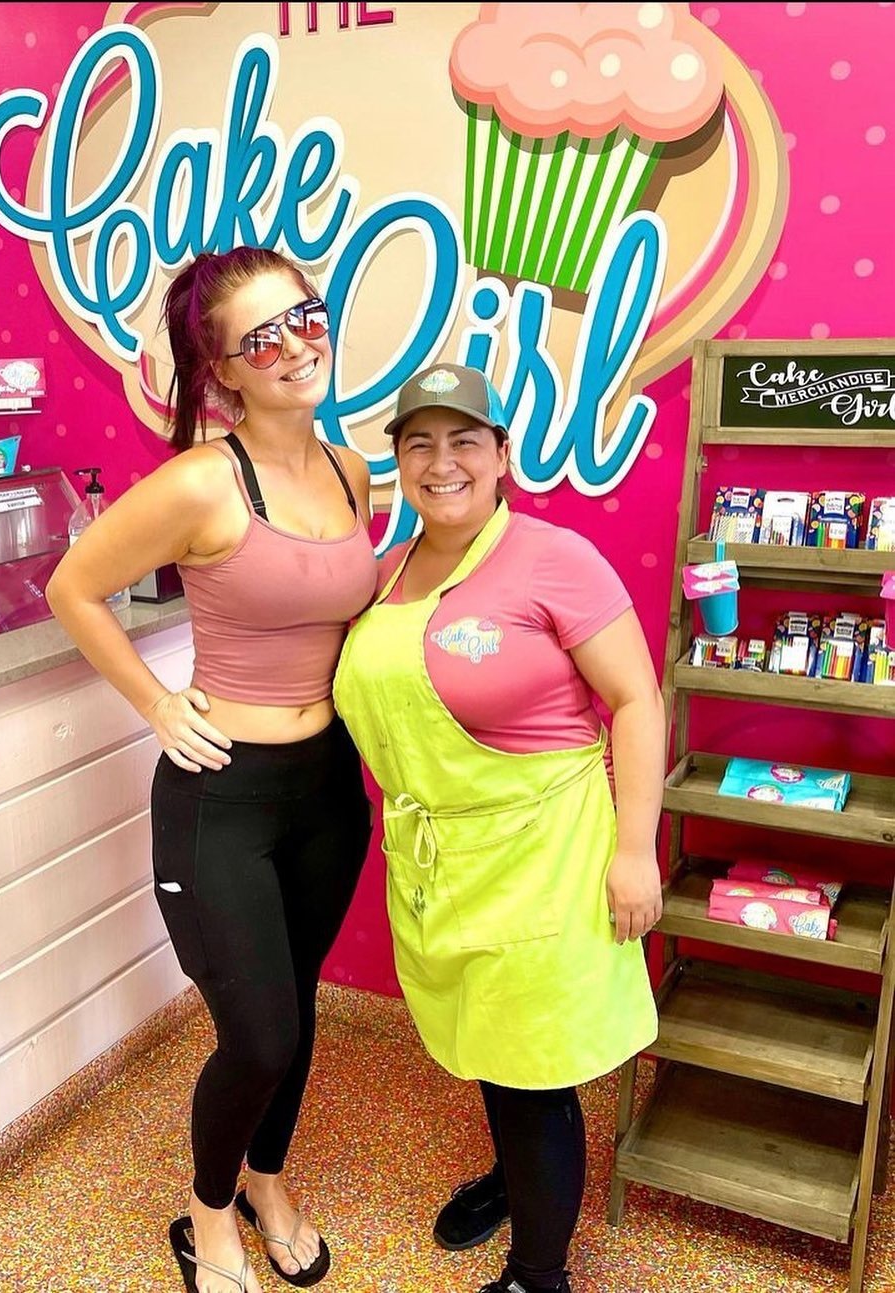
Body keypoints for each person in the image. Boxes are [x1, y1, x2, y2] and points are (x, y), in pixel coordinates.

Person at [45, 247, 378, 1293]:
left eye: (306, 317)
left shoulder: (352, 470)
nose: (297, 347)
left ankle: (268, 1180)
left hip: (328, 788)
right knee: (258, 1034)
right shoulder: (199, 481)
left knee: (298, 1006)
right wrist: (155, 703)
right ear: (223, 371)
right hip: (221, 797)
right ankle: (207, 1210)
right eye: (261, 339)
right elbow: (72, 587)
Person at [332, 362, 664, 1293]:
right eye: (420, 443)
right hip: (444, 860)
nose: (442, 462)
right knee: (493, 1046)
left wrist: (635, 851)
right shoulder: (392, 570)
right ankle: (518, 1183)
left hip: (544, 856)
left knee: (533, 1071)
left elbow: (637, 700)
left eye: (464, 440)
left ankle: (538, 1275)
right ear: (399, 462)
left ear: (502, 454)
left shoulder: (556, 559)